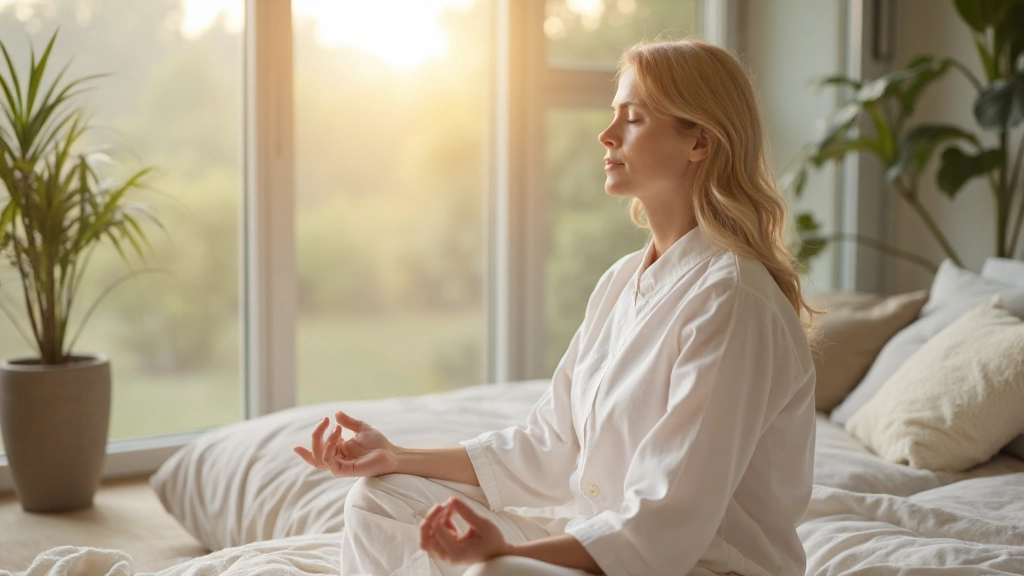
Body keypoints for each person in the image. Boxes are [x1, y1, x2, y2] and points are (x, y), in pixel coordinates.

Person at [295, 38, 819, 576]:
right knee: (379, 500)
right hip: (599, 539)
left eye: (633, 119)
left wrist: (505, 555)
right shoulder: (622, 281)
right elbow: (548, 445)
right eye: (614, 115)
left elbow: (664, 524)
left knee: (495, 573)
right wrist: (395, 455)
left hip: (696, 566)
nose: (607, 135)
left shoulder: (733, 300)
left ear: (699, 143)